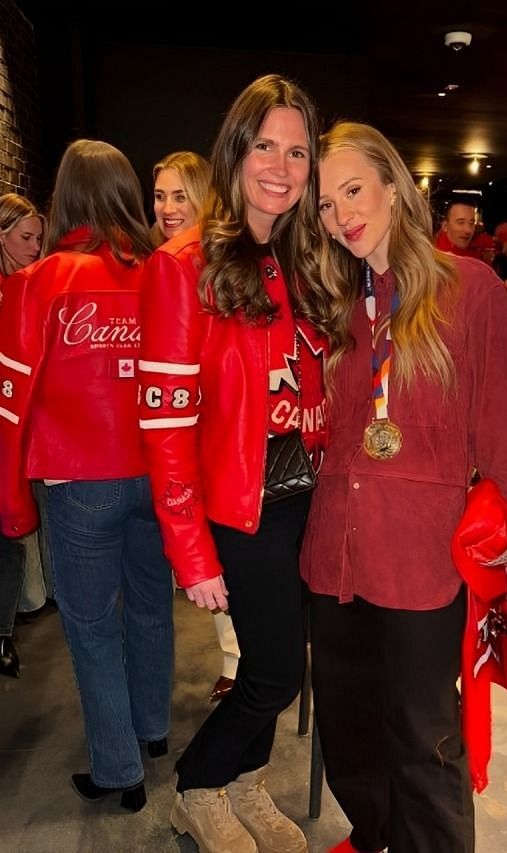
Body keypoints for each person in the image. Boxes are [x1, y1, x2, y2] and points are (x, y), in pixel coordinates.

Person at [307, 120, 507, 853]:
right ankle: (373, 833)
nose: (341, 213)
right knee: (347, 722)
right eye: (323, 203)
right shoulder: (341, 305)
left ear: (393, 188)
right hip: (335, 552)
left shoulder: (467, 288)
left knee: (423, 736)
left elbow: (501, 426)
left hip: (419, 555)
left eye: (353, 190)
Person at [139, 74, 333, 853]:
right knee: (276, 670)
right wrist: (190, 548)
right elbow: (165, 420)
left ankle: (242, 780)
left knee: (273, 660)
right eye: (265, 145)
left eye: (297, 150)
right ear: (235, 149)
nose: (281, 165)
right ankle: (196, 784)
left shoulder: (303, 257)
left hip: (305, 496)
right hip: (240, 501)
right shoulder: (182, 265)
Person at [0, 140, 171, 812]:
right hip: (158, 477)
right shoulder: (164, 274)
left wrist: (13, 504)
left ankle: (118, 767)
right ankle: (153, 732)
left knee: (93, 624)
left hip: (79, 482)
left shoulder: (36, 282)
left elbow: (9, 405)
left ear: (64, 195)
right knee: (152, 607)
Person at [151, 149, 238, 703]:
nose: (167, 207)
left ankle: (241, 664)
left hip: (221, 437)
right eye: (159, 195)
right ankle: (239, 659)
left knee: (225, 563)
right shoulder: (167, 260)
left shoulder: (202, 262)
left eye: (180, 194)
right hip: (198, 436)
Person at [0, 191, 43, 678]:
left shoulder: (28, 283)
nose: (35, 245)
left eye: (38, 237)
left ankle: (8, 626)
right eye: (25, 237)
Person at [152, 151, 212, 243]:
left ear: (203, 200)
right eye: (159, 197)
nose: (167, 210)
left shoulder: (223, 253)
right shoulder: (147, 246)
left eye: (180, 198)